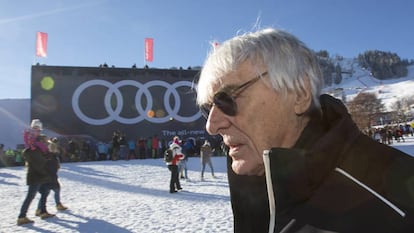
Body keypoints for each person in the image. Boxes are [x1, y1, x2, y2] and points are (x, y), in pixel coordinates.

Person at [196, 28, 414, 232]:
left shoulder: (400, 203)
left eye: (227, 99)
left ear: (299, 93)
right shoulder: (254, 179)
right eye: (208, 108)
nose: (211, 125)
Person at [17, 119, 54, 226]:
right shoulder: (33, 149)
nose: (38, 132)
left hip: (39, 174)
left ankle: (41, 211)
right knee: (31, 195)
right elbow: (39, 161)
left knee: (45, 191)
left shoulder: (36, 146)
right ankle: (22, 216)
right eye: (36, 130)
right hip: (36, 175)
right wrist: (47, 156)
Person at [35, 137, 68, 215]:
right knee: (49, 191)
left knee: (48, 192)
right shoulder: (49, 155)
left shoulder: (51, 155)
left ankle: (40, 209)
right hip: (49, 176)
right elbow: (51, 166)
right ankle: (53, 206)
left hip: (50, 176)